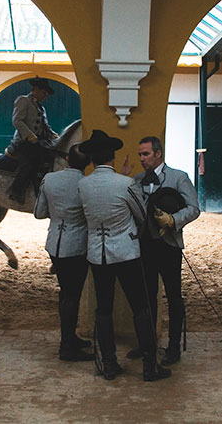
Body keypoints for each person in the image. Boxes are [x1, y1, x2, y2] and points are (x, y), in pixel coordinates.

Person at [77, 129, 171, 382]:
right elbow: (141, 215)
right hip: (127, 252)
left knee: (103, 309)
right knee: (140, 307)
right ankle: (150, 366)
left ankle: (109, 364)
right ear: (113, 157)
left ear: (93, 159)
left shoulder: (83, 184)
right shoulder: (126, 184)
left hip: (98, 254)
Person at [131, 136, 200, 366]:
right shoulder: (137, 180)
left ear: (158, 154)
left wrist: (173, 220)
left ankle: (173, 347)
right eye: (140, 154)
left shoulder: (179, 177)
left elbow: (194, 208)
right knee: (147, 296)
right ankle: (147, 345)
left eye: (146, 154)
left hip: (169, 245)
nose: (142, 159)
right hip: (144, 245)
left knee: (173, 296)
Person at [33, 144, 94, 362]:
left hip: (54, 243)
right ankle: (67, 345)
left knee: (66, 293)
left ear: (67, 159)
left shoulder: (49, 179)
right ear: (87, 163)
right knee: (72, 294)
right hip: (77, 245)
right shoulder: (87, 184)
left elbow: (39, 213)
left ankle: (69, 337)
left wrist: (58, 213)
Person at [8, 77, 57, 203]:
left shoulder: (41, 107)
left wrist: (52, 135)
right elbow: (17, 120)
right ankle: (16, 190)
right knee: (30, 163)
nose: (45, 95)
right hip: (24, 141)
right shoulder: (23, 100)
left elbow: (45, 125)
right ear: (36, 90)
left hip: (39, 141)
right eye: (44, 92)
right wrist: (29, 135)